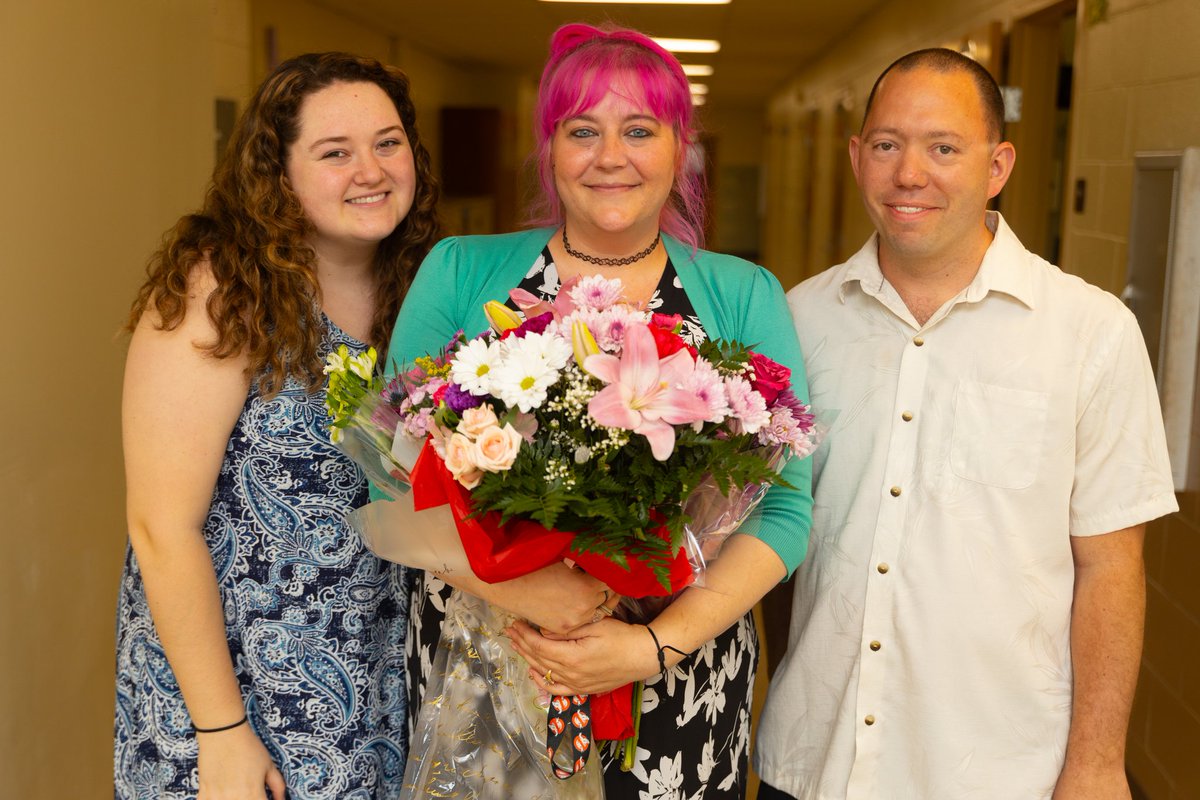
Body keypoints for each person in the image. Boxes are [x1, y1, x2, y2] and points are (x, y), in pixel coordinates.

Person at [385, 23, 813, 798]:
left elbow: (782, 511)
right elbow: (390, 480)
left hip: (677, 681)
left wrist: (652, 647)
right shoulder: (458, 272)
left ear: (680, 148)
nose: (610, 156)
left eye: (639, 130)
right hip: (487, 664)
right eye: (583, 130)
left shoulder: (742, 294)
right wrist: (525, 593)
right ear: (548, 148)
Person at [754, 48, 1178, 800]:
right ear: (857, 158)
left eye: (943, 148)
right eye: (886, 145)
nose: (909, 174)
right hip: (816, 758)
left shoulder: (1090, 332)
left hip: (1001, 771)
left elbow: (1110, 568)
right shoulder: (799, 319)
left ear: (999, 165)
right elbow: (769, 529)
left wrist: (1097, 763)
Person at [114, 52, 441, 799]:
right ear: (279, 173)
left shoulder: (420, 288)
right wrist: (222, 731)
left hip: (376, 675)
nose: (371, 170)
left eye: (388, 143)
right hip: (232, 692)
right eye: (335, 152)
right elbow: (161, 526)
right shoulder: (222, 290)